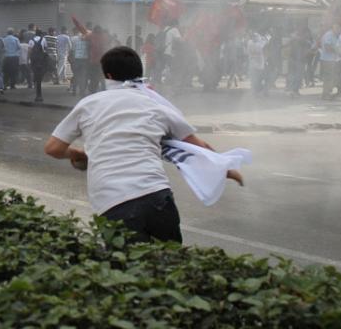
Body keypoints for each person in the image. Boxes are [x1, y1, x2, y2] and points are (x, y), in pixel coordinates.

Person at [44, 46, 243, 243]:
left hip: (113, 203)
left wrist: (78, 154)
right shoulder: (156, 105)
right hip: (158, 198)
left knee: (126, 271)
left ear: (108, 75)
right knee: (171, 269)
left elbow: (53, 148)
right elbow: (199, 147)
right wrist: (227, 169)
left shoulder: (89, 104)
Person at [320, 24, 341, 100]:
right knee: (328, 78)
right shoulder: (329, 35)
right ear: (335, 27)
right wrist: (336, 51)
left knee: (331, 77)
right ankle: (326, 94)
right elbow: (327, 46)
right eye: (339, 29)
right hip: (327, 60)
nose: (340, 31)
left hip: (331, 60)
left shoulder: (333, 35)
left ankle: (327, 93)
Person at [29, 29, 49, 102]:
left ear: (35, 34)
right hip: (41, 61)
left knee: (36, 75)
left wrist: (29, 60)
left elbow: (30, 51)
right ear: (41, 34)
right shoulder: (43, 39)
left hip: (34, 61)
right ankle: (39, 95)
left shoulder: (31, 40)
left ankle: (37, 94)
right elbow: (46, 49)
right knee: (40, 77)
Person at [70, 27, 90, 96]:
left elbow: (72, 50)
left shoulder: (74, 39)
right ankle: (82, 91)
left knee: (76, 75)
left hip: (76, 59)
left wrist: (72, 59)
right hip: (84, 60)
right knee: (83, 76)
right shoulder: (87, 40)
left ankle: (74, 90)